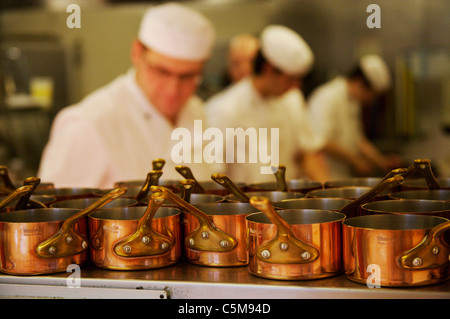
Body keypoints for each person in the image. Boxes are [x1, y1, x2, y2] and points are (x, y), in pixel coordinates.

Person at [38, 2, 216, 188]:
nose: (173, 89)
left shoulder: (195, 110)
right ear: (137, 52)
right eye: (162, 71)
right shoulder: (88, 123)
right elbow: (56, 211)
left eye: (188, 76)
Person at [205, 25, 329, 184]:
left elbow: (308, 152)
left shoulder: (292, 99)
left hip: (288, 202)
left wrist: (327, 189)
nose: (295, 86)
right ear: (268, 69)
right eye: (290, 79)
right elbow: (214, 177)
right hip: (246, 206)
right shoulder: (223, 109)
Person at [307, 54, 402, 180]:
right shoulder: (327, 97)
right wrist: (356, 161)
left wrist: (381, 161)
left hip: (342, 177)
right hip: (324, 176)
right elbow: (322, 141)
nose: (370, 101)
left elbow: (358, 140)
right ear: (360, 83)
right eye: (372, 95)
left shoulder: (353, 102)